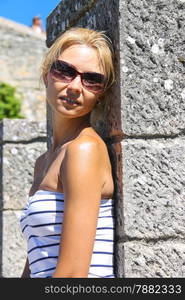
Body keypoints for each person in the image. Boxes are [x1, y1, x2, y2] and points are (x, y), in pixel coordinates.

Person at [20, 27, 115, 278]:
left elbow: (72, 275)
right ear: (46, 74)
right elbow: (37, 259)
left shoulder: (84, 150)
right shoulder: (44, 162)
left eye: (92, 79)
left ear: (101, 93)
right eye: (64, 71)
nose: (75, 87)